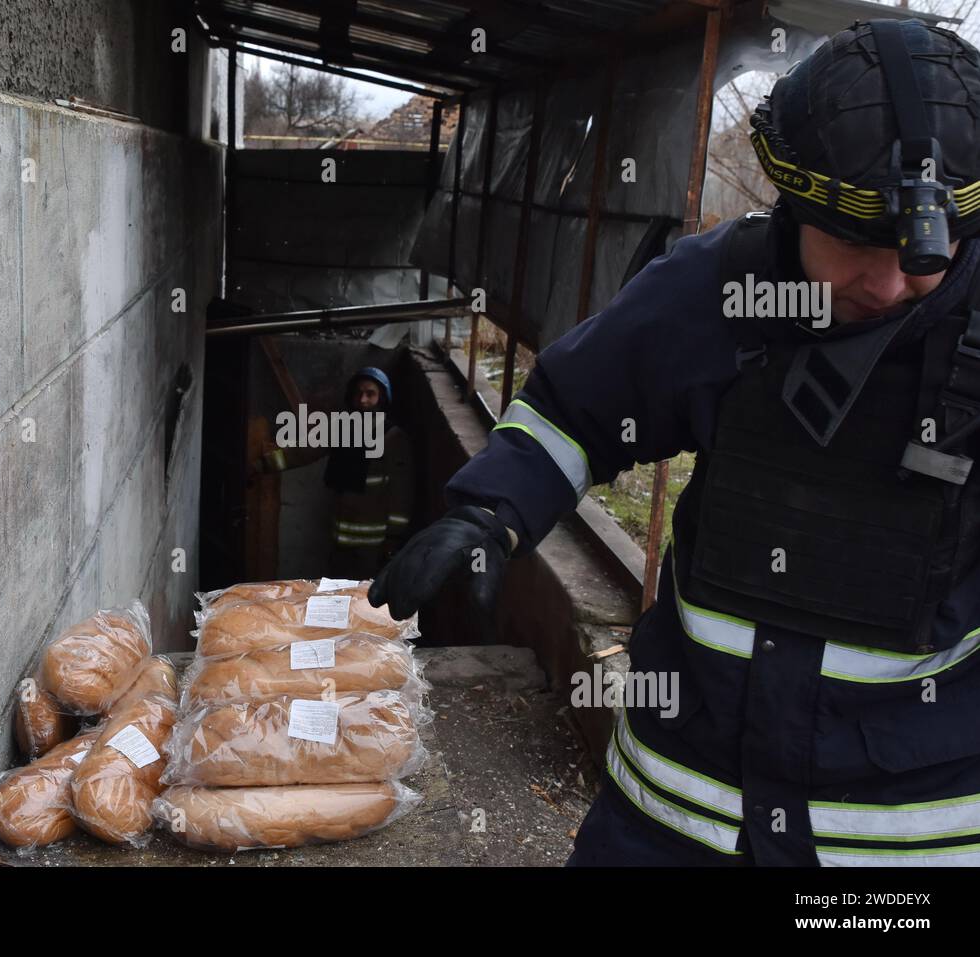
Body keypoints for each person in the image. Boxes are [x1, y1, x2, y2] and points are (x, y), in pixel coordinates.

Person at [368, 19, 980, 866]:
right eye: (851, 243)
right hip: (674, 815)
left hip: (896, 852)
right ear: (793, 206)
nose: (883, 285)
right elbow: (575, 409)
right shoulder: (720, 293)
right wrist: (488, 514)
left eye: (919, 257)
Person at [260, 367, 414, 579]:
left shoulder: (392, 437)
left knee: (365, 601)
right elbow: (306, 451)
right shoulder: (340, 428)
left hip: (373, 544)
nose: (363, 400)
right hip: (340, 538)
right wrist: (264, 464)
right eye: (358, 393)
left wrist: (394, 537)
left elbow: (402, 490)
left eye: (370, 394)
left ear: (382, 399)